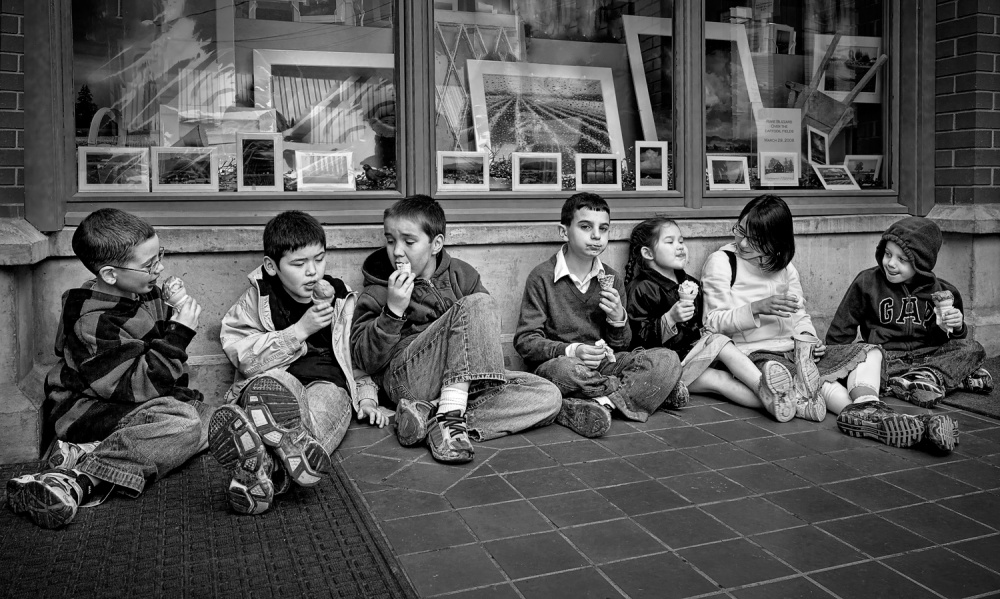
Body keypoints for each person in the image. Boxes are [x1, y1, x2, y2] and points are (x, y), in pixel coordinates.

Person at [701, 195, 958, 453]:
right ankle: (884, 422)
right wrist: (756, 308)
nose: (743, 242)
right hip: (755, 354)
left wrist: (810, 340)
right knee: (820, 384)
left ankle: (870, 405)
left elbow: (799, 317)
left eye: (755, 239)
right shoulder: (723, 262)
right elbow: (712, 323)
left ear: (775, 241)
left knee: (868, 352)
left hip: (794, 350)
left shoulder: (785, 268)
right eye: (740, 230)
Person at [7, 208, 211, 529]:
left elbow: (157, 365)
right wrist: (180, 333)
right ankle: (79, 480)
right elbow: (137, 385)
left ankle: (85, 453)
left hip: (134, 403)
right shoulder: (92, 321)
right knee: (185, 425)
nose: (160, 268)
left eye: (159, 256)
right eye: (149, 265)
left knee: (210, 420)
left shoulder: (144, 293)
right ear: (110, 275)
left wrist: (175, 310)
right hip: (89, 411)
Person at [351, 195, 561, 464]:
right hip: (408, 379)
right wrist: (393, 311)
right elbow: (365, 360)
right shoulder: (378, 289)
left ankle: (432, 416)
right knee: (479, 303)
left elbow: (483, 336)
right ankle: (449, 416)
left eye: (409, 242)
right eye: (391, 241)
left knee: (548, 395)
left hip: (460, 384)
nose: (397, 251)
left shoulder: (463, 275)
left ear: (436, 244)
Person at [215, 210, 386, 515]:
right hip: (278, 383)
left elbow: (355, 358)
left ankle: (263, 467)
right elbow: (243, 357)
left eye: (319, 259)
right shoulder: (258, 299)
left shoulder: (342, 298)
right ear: (272, 266)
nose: (312, 272)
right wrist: (299, 332)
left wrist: (367, 397)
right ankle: (280, 458)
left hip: (328, 385)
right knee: (276, 388)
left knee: (325, 405)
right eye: (298, 264)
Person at [514, 193, 682, 439]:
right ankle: (639, 392)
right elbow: (526, 342)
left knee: (667, 359)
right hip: (563, 366)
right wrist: (572, 350)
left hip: (604, 365)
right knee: (567, 370)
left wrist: (617, 319)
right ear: (564, 232)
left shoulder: (612, 279)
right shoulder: (541, 277)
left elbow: (621, 345)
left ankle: (600, 403)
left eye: (603, 229)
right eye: (585, 227)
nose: (596, 236)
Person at [624, 217, 796, 422]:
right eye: (670, 242)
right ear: (648, 253)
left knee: (720, 352)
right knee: (719, 378)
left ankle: (774, 398)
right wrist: (670, 318)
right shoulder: (641, 288)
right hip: (663, 369)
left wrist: (703, 332)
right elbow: (636, 341)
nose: (680, 247)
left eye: (681, 241)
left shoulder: (690, 284)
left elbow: (698, 326)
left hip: (691, 358)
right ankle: (780, 398)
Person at [826, 215, 992, 407]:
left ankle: (919, 379)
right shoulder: (867, 283)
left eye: (902, 259)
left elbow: (951, 341)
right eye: (888, 254)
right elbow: (840, 332)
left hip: (928, 356)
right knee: (862, 358)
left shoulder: (944, 291)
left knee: (972, 348)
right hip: (886, 359)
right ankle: (944, 379)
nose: (891, 263)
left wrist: (956, 327)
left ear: (921, 263)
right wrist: (837, 361)